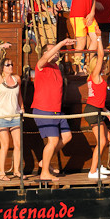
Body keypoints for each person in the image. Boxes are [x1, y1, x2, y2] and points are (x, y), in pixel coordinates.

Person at [33, 38, 76, 182]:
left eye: (58, 51)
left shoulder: (56, 67)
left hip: (57, 110)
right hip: (43, 109)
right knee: (52, 141)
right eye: (54, 51)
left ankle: (43, 162)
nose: (57, 53)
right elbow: (45, 57)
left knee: (67, 137)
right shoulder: (41, 66)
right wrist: (62, 43)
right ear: (46, 52)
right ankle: (44, 172)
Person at [0, 42, 22, 180]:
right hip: (0, 115)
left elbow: (19, 95)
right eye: (7, 65)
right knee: (5, 144)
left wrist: (22, 107)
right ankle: (2, 173)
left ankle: (16, 170)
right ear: (3, 68)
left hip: (15, 114)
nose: (10, 67)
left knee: (18, 144)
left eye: (11, 65)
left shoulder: (17, 79)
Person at [85, 39, 110, 179]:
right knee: (101, 141)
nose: (103, 65)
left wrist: (107, 112)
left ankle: (98, 165)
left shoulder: (93, 78)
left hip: (99, 109)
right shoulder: (95, 76)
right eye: (101, 63)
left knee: (107, 137)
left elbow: (99, 98)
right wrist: (98, 39)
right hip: (92, 110)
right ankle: (92, 171)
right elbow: (101, 54)